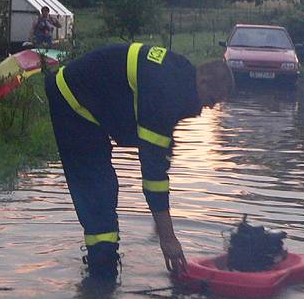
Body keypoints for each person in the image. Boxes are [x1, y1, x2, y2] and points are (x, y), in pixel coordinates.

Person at [44, 43, 234, 282]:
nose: (209, 107)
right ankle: (100, 282)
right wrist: (168, 237)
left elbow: (161, 146)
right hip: (72, 104)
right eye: (212, 99)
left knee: (104, 190)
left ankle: (100, 284)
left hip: (92, 106)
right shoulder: (167, 92)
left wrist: (160, 217)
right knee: (98, 196)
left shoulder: (181, 76)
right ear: (203, 82)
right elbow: (153, 172)